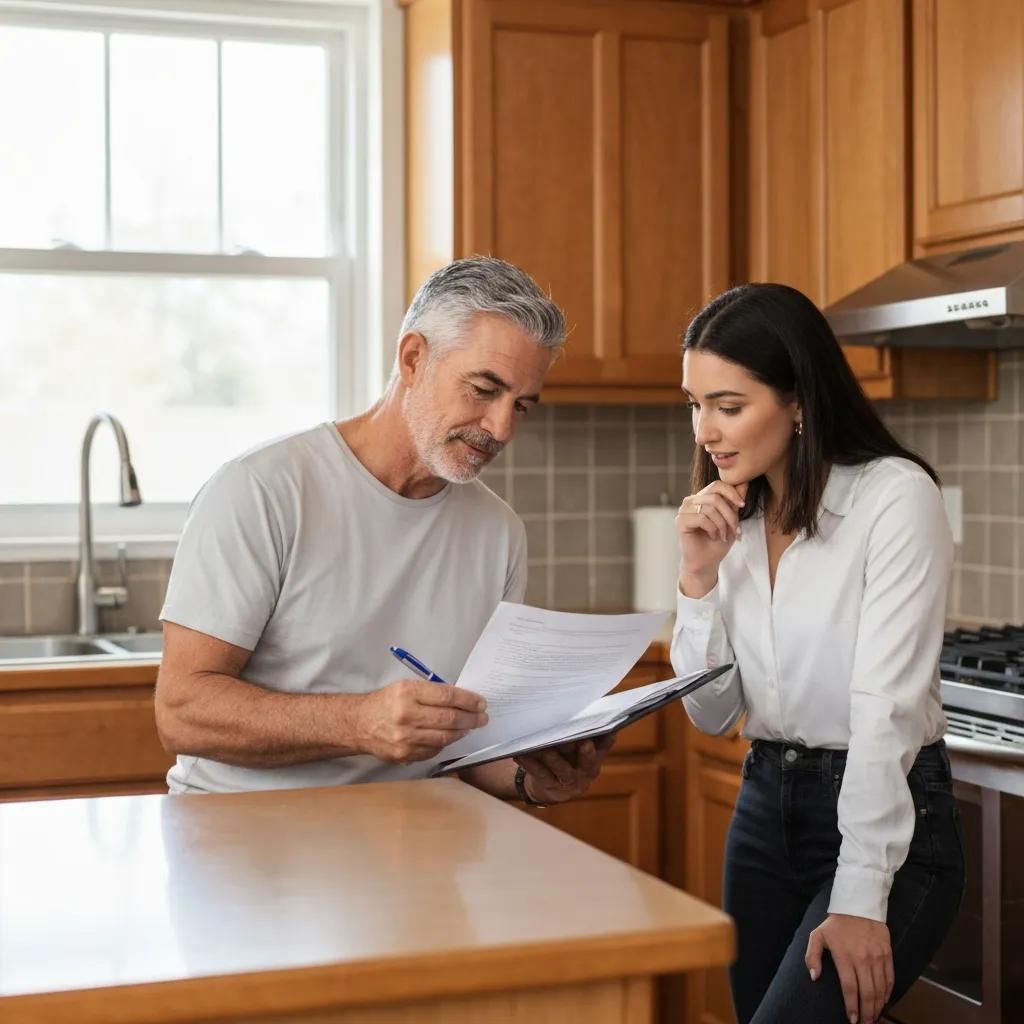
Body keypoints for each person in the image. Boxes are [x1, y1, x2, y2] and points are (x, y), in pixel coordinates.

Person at [155, 255, 613, 806]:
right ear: (414, 358)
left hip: (410, 836)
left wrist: (528, 779)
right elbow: (182, 711)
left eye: (522, 405)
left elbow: (465, 747)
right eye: (483, 389)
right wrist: (357, 722)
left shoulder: (499, 533)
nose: (501, 427)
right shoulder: (263, 490)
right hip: (244, 835)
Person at [670, 283, 965, 1024]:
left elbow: (886, 711)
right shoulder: (732, 518)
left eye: (728, 406)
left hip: (886, 825)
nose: (706, 429)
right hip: (764, 810)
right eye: (695, 404)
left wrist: (861, 896)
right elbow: (710, 716)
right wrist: (697, 580)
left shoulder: (893, 499)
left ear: (798, 400)